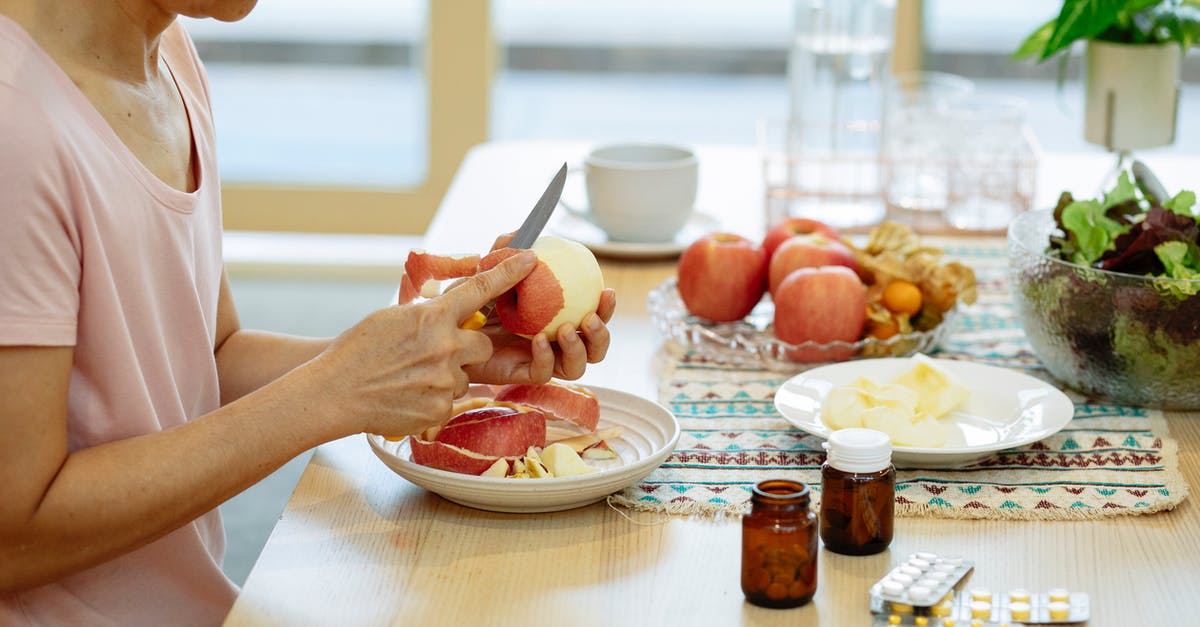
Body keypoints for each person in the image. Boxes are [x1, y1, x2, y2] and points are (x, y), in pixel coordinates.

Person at [0, 1, 616, 624]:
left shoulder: (168, 55)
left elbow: (209, 356)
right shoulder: (16, 127)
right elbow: (12, 537)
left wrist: (432, 355)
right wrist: (329, 395)